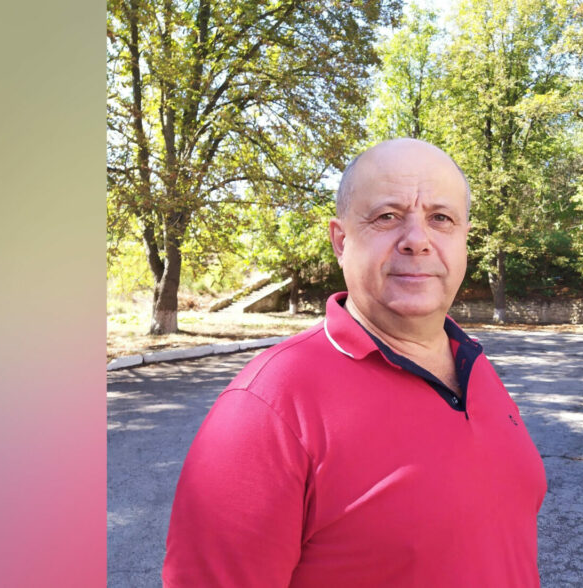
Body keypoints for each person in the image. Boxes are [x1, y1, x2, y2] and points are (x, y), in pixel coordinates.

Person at [162, 138, 547, 587]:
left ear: (464, 239)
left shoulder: (473, 363)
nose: (417, 240)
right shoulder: (268, 405)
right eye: (387, 216)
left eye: (441, 218)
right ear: (341, 241)